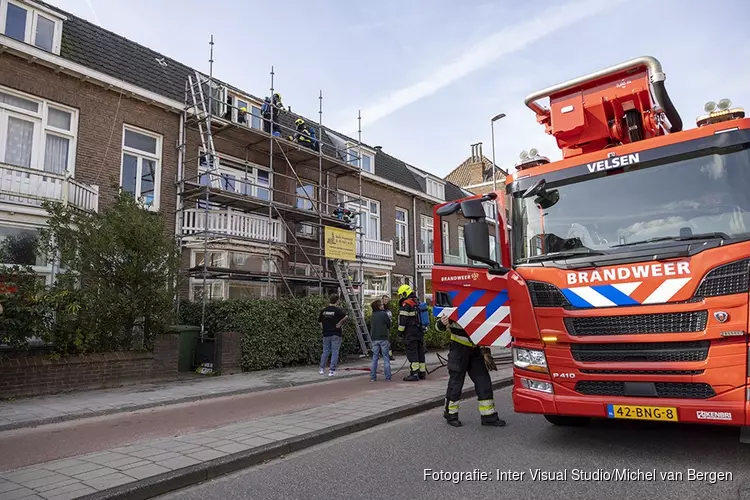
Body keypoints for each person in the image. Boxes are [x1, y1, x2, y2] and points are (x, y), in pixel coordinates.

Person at [435, 313, 505, 427]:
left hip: (476, 350)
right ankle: (451, 414)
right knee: (456, 383)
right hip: (459, 349)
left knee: (483, 381)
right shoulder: (454, 303)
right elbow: (437, 327)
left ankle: (488, 416)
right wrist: (442, 323)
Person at [397, 284, 426, 381]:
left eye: (401, 294)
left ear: (405, 293)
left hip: (410, 332)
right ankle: (422, 372)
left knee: (412, 352)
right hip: (419, 331)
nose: (401, 297)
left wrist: (400, 332)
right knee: (420, 351)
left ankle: (414, 373)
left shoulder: (406, 304)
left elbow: (403, 320)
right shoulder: (416, 301)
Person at [318, 294, 347, 376]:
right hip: (336, 333)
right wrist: (340, 324)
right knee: (335, 352)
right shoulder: (337, 310)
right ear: (337, 301)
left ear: (329, 300)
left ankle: (321, 369)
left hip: (326, 333)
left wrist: (323, 328)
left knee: (325, 351)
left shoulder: (323, 311)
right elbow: (346, 316)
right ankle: (332, 371)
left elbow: (319, 321)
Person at [368, 299, 392, 381]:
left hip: (374, 338)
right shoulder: (384, 314)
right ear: (378, 306)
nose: (383, 305)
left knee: (375, 357)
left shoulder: (372, 315)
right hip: (383, 337)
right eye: (381, 304)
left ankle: (373, 377)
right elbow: (389, 324)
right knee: (386, 357)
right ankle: (388, 377)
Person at [382, 294, 395, 361]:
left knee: (387, 341)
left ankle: (389, 355)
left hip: (387, 327)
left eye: (387, 299)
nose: (386, 301)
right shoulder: (381, 308)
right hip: (382, 327)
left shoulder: (389, 308)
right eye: (384, 299)